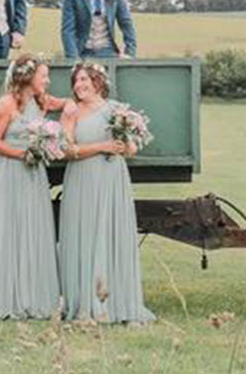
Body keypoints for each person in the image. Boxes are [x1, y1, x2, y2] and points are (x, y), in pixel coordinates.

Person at [0, 54, 69, 320]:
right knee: (5, 229)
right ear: (28, 77)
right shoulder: (5, 104)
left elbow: (68, 103)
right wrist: (23, 155)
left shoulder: (40, 101)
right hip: (8, 172)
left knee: (31, 228)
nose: (47, 79)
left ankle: (31, 296)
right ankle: (1, 297)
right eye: (43, 75)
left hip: (33, 175)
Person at [55, 62, 155, 323]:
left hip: (112, 180)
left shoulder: (116, 110)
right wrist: (102, 145)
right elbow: (66, 150)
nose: (79, 85)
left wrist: (124, 142)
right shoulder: (71, 111)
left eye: (84, 80)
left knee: (112, 234)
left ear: (98, 82)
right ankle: (85, 305)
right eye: (76, 81)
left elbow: (131, 149)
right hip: (81, 180)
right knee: (84, 234)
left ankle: (118, 304)